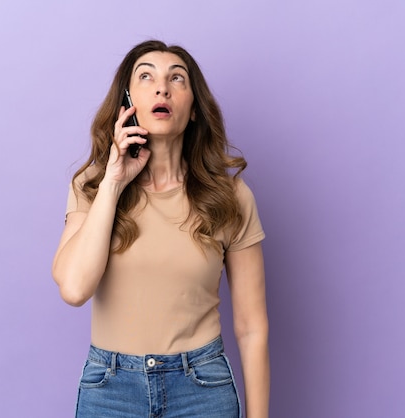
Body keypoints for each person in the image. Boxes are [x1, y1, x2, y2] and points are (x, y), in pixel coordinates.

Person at [52, 39, 270, 418]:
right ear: (127, 103)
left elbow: (252, 327)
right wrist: (114, 182)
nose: (162, 87)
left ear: (195, 110)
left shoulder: (230, 196)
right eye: (146, 76)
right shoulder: (92, 186)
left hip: (202, 390)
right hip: (111, 391)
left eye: (177, 79)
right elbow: (73, 289)